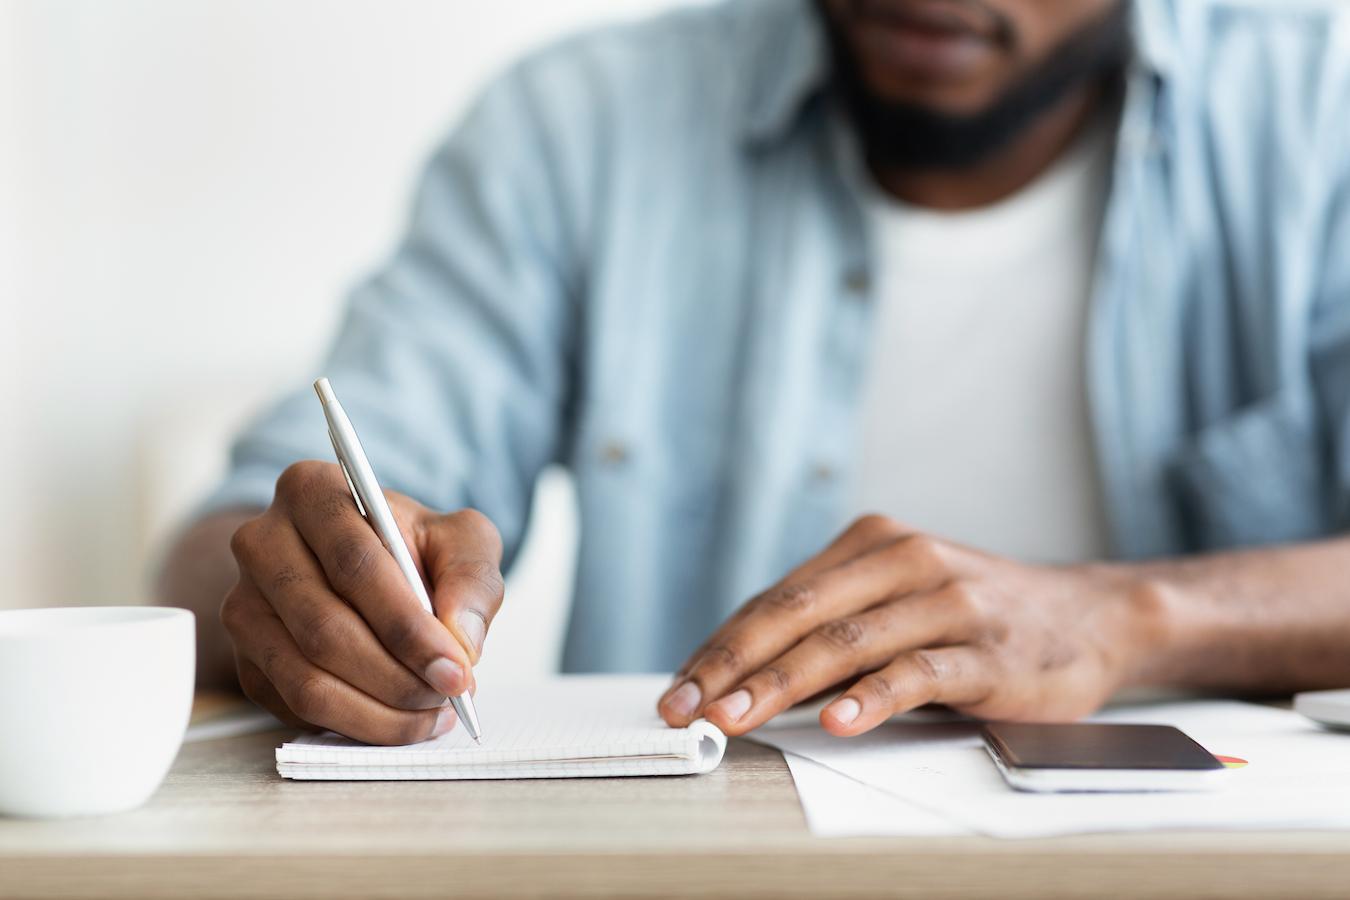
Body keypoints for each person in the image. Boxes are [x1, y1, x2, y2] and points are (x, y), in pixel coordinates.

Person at [158, 0, 1350, 746]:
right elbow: (229, 538)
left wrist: (1128, 620)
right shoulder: (582, 126)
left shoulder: (1318, 117)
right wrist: (298, 587)